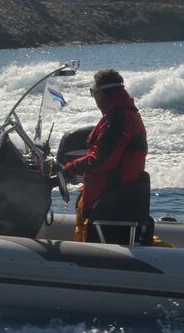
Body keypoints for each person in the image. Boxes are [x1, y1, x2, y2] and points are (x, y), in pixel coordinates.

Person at [60, 69, 148, 243]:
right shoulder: (122, 114)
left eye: (93, 92)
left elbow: (101, 160)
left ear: (102, 93)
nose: (93, 97)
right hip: (111, 197)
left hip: (108, 200)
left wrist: (70, 168)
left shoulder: (118, 118)